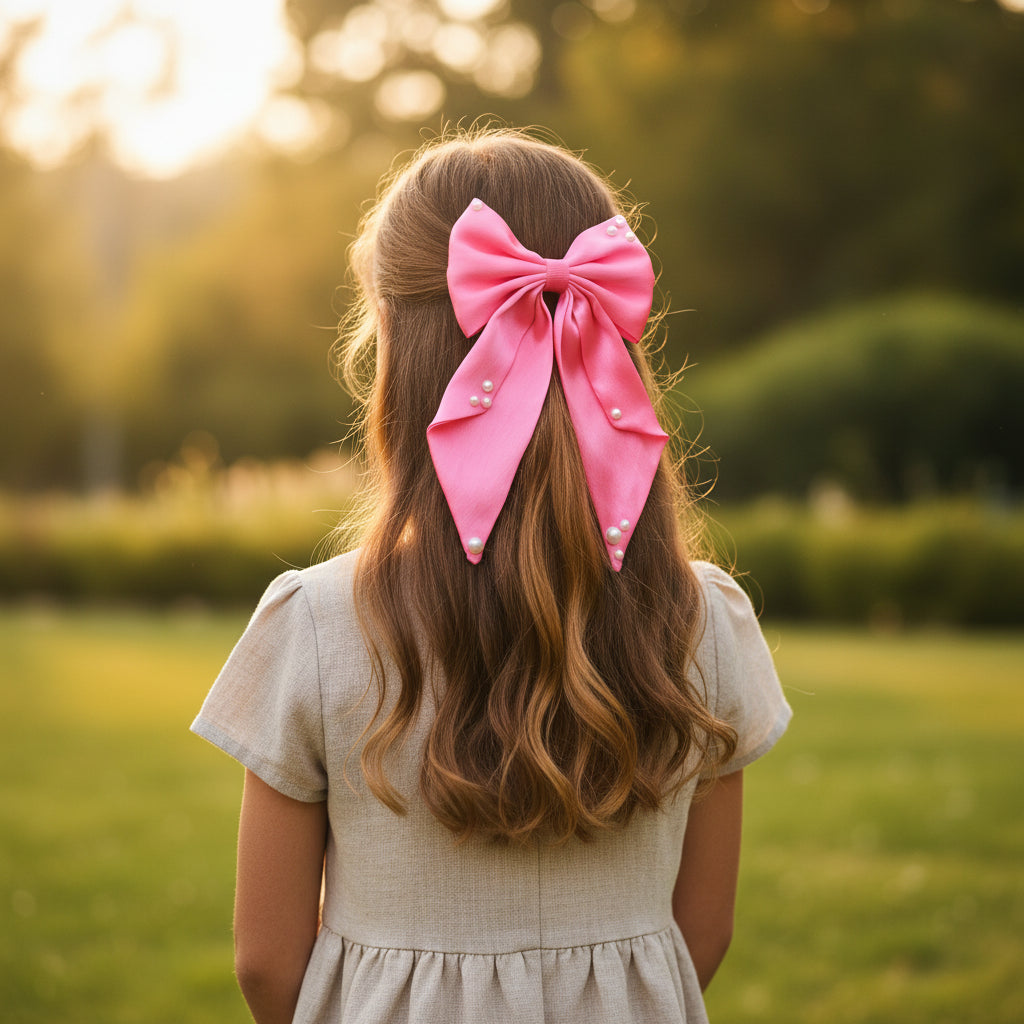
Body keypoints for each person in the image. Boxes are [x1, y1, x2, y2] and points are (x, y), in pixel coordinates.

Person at [192, 127, 791, 1024]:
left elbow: (268, 963)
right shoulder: (705, 619)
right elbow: (701, 933)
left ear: (394, 352)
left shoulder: (317, 624)